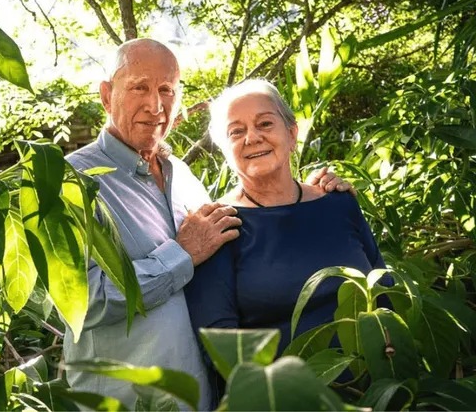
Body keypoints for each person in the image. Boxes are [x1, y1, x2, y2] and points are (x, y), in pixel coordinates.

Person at [63, 40, 351, 409]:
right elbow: (82, 303)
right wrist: (180, 255)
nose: (156, 105)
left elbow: (241, 235)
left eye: (167, 89)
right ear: (106, 95)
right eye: (139, 87)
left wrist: (311, 196)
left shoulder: (181, 175)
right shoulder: (71, 180)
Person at [184, 78, 390, 368]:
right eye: (236, 131)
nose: (252, 137)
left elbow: (384, 286)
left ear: (292, 134)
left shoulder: (338, 202)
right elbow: (221, 342)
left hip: (375, 379)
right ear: (224, 150)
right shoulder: (219, 226)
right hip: (280, 388)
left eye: (265, 124)